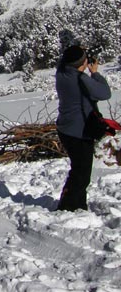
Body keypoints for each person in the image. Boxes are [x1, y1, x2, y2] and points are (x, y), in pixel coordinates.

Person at [54, 45, 112, 212]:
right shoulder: (81, 80)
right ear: (82, 63)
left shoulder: (61, 73)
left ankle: (77, 205)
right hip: (79, 131)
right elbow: (104, 93)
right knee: (82, 174)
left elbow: (66, 58)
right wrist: (94, 72)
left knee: (77, 169)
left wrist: (80, 53)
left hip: (65, 128)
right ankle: (68, 207)